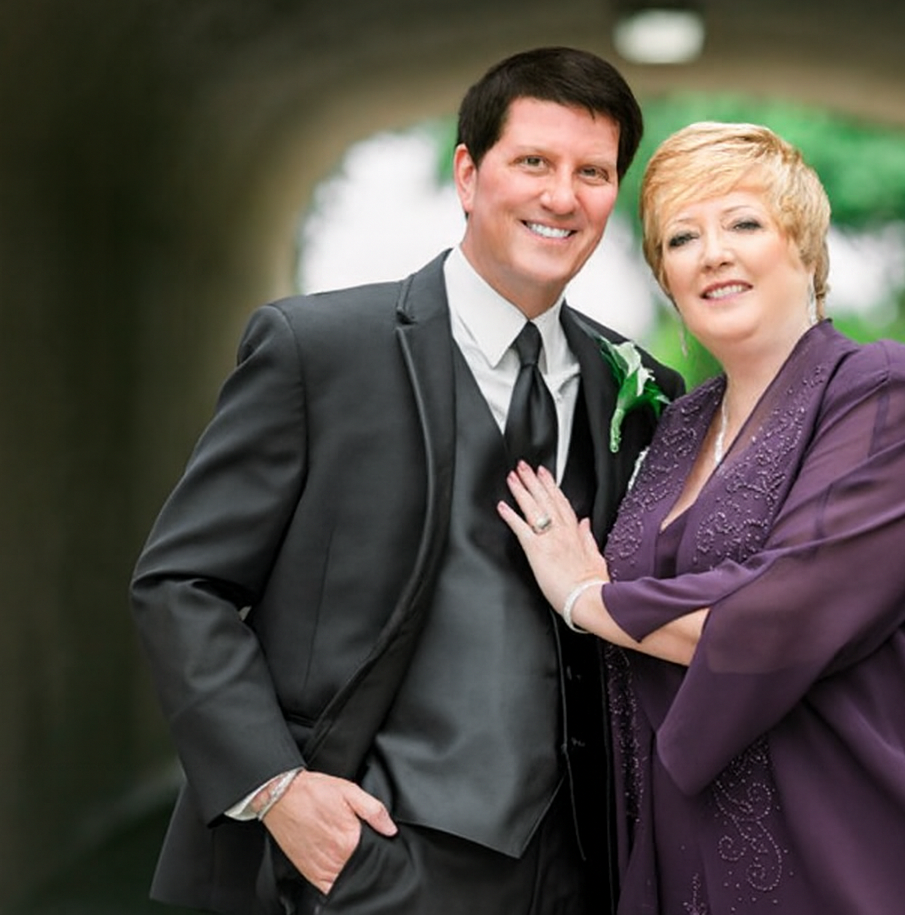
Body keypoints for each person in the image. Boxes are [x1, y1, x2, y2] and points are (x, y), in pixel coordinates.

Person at [129, 46, 684, 915]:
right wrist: (279, 789)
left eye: (593, 172)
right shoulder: (319, 351)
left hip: (579, 869)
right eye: (533, 162)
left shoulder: (638, 385)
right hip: (367, 855)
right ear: (468, 174)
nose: (562, 196)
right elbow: (180, 585)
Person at [500, 121, 905, 915]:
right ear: (666, 279)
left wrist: (589, 600)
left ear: (806, 250)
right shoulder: (680, 425)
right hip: (685, 852)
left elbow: (780, 617)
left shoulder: (887, 396)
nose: (712, 252)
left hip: (855, 849)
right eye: (682, 237)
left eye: (743, 224)